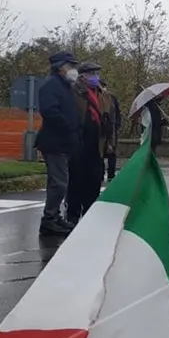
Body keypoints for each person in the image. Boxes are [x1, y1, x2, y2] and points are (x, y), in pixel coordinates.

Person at [35, 52, 81, 236]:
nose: (73, 70)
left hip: (63, 142)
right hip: (54, 142)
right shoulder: (51, 85)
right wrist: (69, 128)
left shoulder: (65, 86)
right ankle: (49, 219)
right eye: (70, 66)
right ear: (60, 67)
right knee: (59, 183)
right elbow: (50, 112)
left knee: (60, 182)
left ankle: (53, 217)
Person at [66, 61, 110, 224]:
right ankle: (72, 215)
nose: (96, 77)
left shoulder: (102, 94)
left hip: (97, 144)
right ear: (83, 76)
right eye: (92, 74)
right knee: (76, 181)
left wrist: (109, 141)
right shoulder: (73, 92)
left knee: (94, 181)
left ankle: (90, 215)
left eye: (97, 74)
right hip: (79, 143)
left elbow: (109, 117)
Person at [99, 80, 122, 182]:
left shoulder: (110, 97)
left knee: (108, 152)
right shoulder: (105, 97)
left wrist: (116, 126)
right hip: (107, 129)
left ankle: (108, 173)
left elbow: (116, 113)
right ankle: (108, 174)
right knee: (108, 153)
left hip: (109, 129)